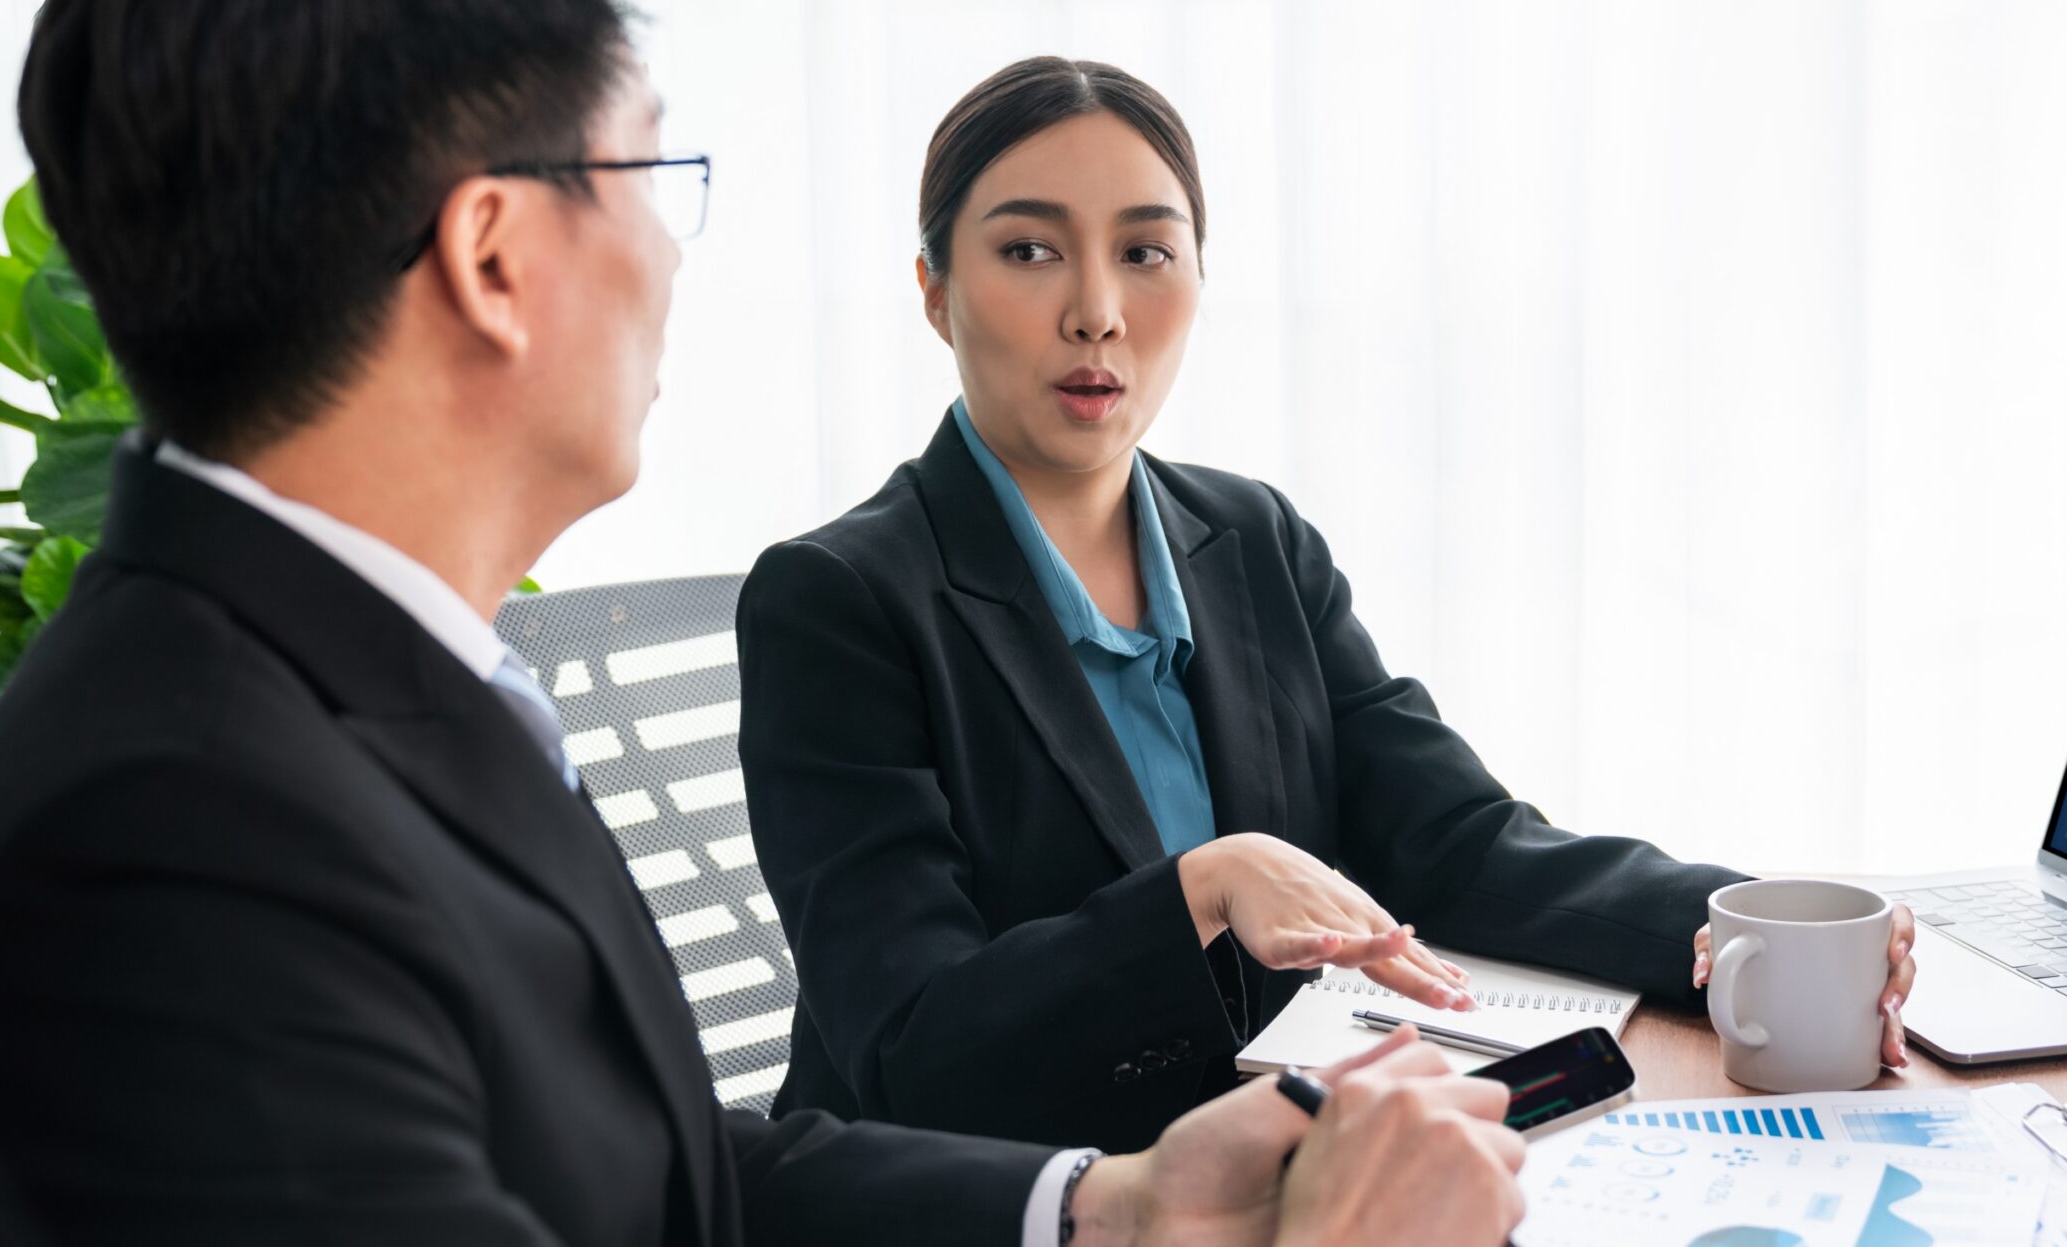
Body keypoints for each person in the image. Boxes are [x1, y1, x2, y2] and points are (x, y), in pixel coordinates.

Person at [0, 0, 1528, 1247]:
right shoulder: (175, 844)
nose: (668, 251)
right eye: (651, 172)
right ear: (494, 258)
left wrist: (1112, 1221)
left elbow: (644, 1176)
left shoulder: (380, 687)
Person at [736, 57, 1921, 1156]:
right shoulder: (836, 603)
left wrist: (1736, 935)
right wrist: (1206, 883)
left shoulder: (1251, 542)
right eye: (1031, 252)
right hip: (1004, 1216)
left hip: (1276, 1171)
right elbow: (913, 1050)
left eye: (1146, 252)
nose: (1096, 310)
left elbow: (1455, 844)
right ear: (935, 291)